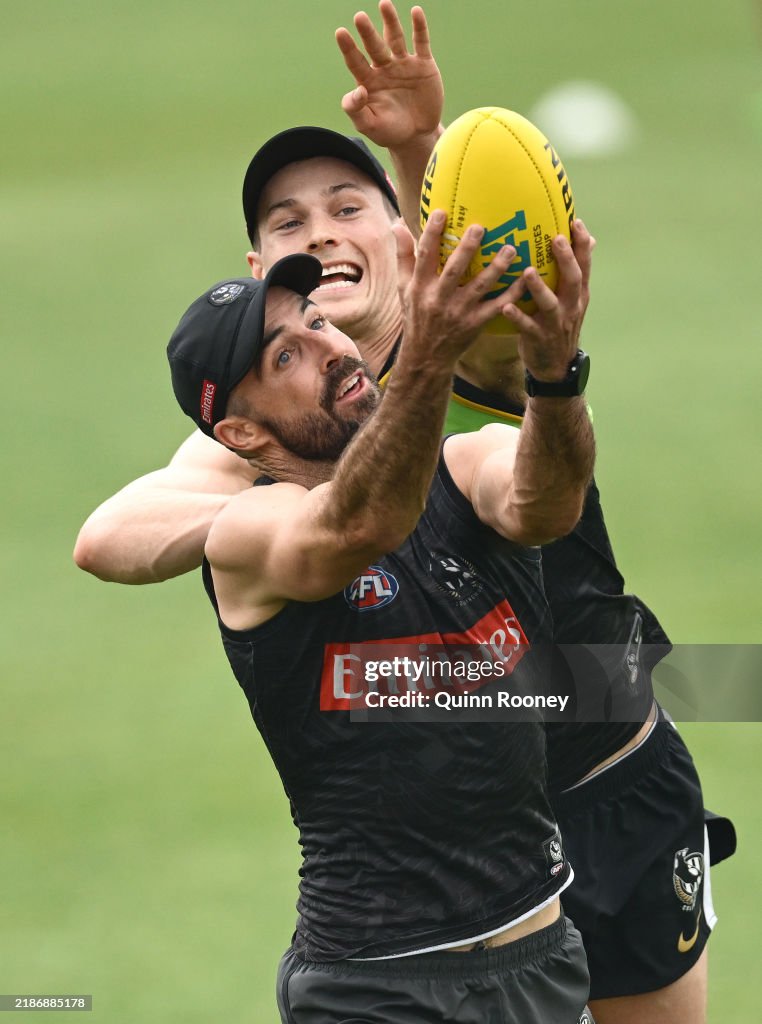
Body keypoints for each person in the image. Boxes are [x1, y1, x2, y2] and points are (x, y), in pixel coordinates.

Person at [72, 3, 735, 1022]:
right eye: (288, 226)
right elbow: (107, 539)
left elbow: (486, 327)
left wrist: (428, 150)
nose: (321, 232)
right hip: (450, 859)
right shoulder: (278, 431)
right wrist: (259, 528)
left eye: (348, 206)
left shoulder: (472, 345)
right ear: (261, 277)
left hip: (601, 767)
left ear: (407, 232)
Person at [165, 217, 596, 1022]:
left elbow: (547, 502)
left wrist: (554, 376)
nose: (327, 347)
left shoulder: (463, 467)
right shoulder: (248, 536)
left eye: (317, 322)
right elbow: (358, 526)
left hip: (541, 956)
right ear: (243, 432)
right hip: (378, 985)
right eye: (284, 357)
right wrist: (428, 360)